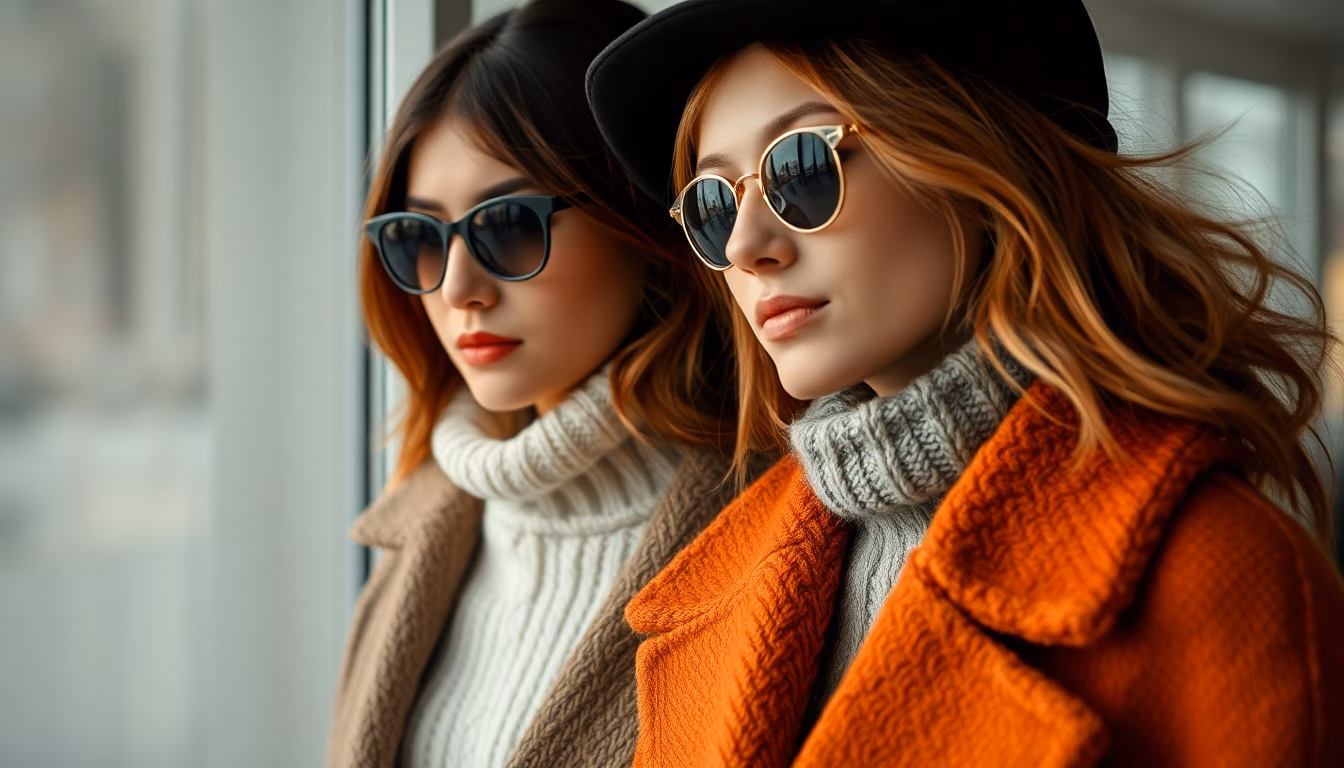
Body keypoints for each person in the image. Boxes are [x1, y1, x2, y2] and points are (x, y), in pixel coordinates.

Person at [586, 0, 1344, 765]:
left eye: (800, 168)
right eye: (714, 206)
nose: (746, 245)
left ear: (978, 160)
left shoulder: (1219, 574)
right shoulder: (722, 577)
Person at [326, 2, 741, 766]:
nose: (457, 288)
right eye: (419, 238)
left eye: (509, 225)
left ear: (642, 225)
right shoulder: (421, 531)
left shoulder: (772, 532)